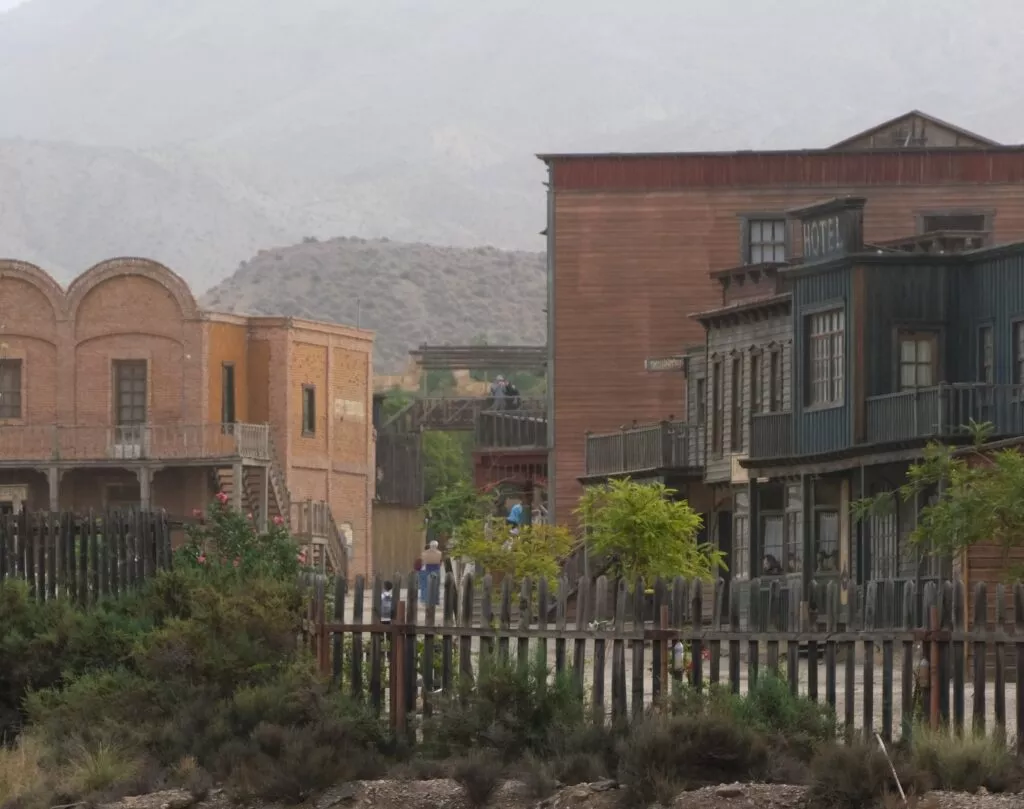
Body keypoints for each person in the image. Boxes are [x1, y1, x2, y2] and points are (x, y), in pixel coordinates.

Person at [421, 540, 443, 606]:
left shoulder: (424, 553)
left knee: (427, 586)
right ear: (437, 546)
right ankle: (436, 600)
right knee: (436, 586)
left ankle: (427, 600)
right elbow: (439, 562)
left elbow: (423, 562)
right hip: (436, 569)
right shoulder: (439, 553)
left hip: (428, 569)